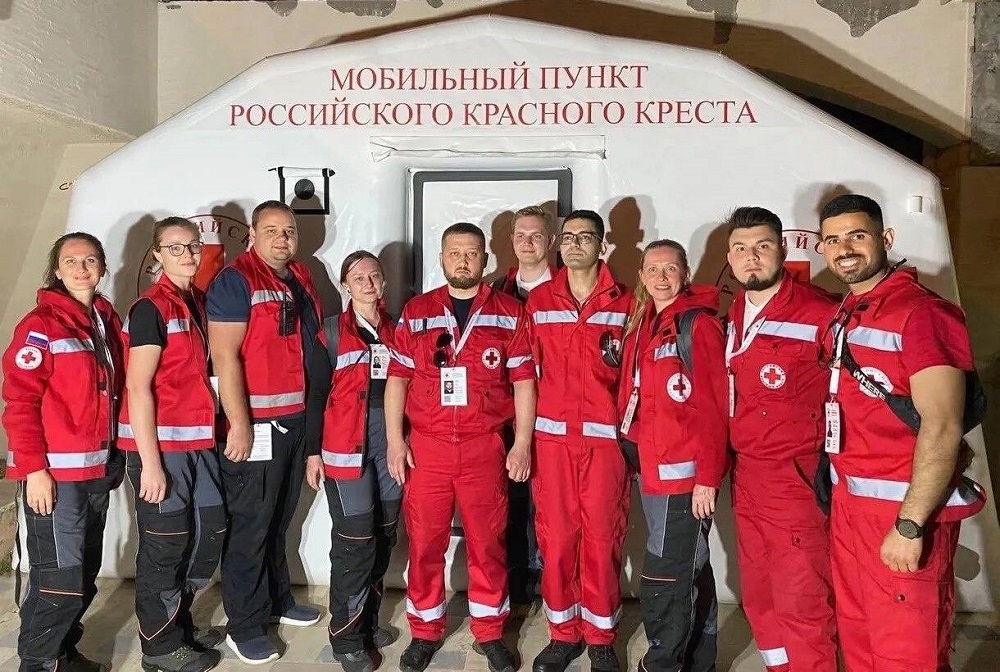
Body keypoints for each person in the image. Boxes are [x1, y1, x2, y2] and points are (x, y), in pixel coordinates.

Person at [819, 194, 986, 671]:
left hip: (902, 512)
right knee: (860, 640)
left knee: (906, 650)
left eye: (857, 235)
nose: (845, 248)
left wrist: (910, 525)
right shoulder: (850, 311)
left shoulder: (922, 313)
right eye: (833, 240)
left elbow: (944, 424)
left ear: (886, 238)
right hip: (852, 510)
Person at [385, 222, 536, 672]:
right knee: (424, 544)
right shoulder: (417, 311)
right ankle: (425, 630)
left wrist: (521, 443)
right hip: (427, 448)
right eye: (455, 253)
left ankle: (489, 632)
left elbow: (524, 382)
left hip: (483, 447)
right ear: (442, 258)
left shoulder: (510, 312)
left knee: (487, 545)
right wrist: (395, 442)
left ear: (485, 259)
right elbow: (398, 379)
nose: (463, 261)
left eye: (472, 253)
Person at [207, 200, 323, 665]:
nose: (282, 238)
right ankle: (245, 624)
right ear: (253, 235)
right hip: (256, 425)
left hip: (294, 421)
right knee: (251, 527)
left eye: (288, 231)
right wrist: (239, 423)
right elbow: (225, 356)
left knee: (278, 520)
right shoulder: (236, 280)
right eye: (271, 230)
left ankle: (277, 600)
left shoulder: (300, 276)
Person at [3, 232, 125, 672]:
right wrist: (34, 469)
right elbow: (20, 402)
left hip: (96, 473)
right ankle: (38, 664)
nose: (80, 268)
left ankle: (62, 654)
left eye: (90, 260)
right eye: (70, 261)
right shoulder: (40, 325)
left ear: (102, 268)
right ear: (56, 269)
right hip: (55, 478)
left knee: (83, 574)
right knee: (58, 580)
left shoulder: (104, 319)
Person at [723, 207, 838, 671]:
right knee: (759, 594)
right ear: (729, 257)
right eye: (741, 248)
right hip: (746, 473)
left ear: (783, 249)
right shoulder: (734, 312)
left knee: (802, 598)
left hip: (795, 477)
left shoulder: (821, 312)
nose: (751, 257)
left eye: (762, 246)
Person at [525, 209, 632, 672]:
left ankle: (602, 636)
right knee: (557, 540)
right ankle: (563, 634)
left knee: (603, 539)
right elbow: (525, 374)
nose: (573, 244)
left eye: (584, 237)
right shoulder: (539, 301)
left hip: (606, 446)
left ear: (602, 245)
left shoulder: (628, 302)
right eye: (567, 237)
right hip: (552, 443)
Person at [117, 217, 225, 672]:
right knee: (166, 548)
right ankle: (160, 649)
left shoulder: (196, 301)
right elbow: (137, 387)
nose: (187, 254)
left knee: (209, 529)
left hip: (198, 442)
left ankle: (178, 622)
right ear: (158, 255)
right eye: (175, 247)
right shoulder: (151, 308)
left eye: (193, 245)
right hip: (161, 449)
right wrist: (151, 463)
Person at [618, 239, 728, 672]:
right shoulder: (643, 322)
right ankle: (699, 660)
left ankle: (662, 663)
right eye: (653, 269)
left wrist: (707, 478)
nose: (661, 277)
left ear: (685, 274)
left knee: (665, 575)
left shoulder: (698, 326)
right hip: (650, 469)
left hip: (683, 478)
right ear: (642, 276)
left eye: (670, 268)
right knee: (691, 567)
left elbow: (714, 408)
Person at [304, 251, 401, 672]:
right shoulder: (330, 332)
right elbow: (316, 395)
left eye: (374, 275)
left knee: (384, 536)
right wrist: (312, 452)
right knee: (355, 544)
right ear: (345, 285)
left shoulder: (399, 330)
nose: (367, 283)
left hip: (390, 447)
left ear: (383, 282)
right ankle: (346, 639)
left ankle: (368, 624)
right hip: (345, 452)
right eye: (358, 277)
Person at [490, 205, 557, 604]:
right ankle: (518, 584)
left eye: (536, 236)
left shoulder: (570, 288)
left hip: (554, 418)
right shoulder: (496, 291)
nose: (527, 243)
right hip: (505, 419)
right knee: (511, 503)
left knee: (551, 507)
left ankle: (552, 584)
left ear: (551, 241)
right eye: (520, 235)